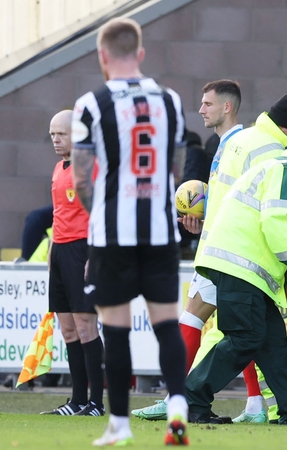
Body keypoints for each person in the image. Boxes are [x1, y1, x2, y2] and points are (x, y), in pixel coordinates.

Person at [70, 18, 189, 446]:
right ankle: (177, 405)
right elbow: (175, 168)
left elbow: (82, 180)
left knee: (115, 330)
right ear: (139, 54)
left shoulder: (91, 103)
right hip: (159, 231)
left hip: (113, 233)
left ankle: (119, 425)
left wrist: (99, 213)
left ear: (102, 56)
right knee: (167, 325)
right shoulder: (171, 101)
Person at [184, 145, 287, 426]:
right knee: (245, 339)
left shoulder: (283, 172)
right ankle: (190, 399)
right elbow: (275, 221)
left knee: (274, 345)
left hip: (247, 270)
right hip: (241, 267)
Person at [130, 79, 251, 422]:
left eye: (208, 104)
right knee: (249, 329)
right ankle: (256, 404)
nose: (201, 110)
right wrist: (201, 222)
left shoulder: (237, 145)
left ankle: (175, 397)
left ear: (227, 107)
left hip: (227, 251)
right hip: (218, 244)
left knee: (197, 318)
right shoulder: (224, 144)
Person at [39, 110, 105, 417]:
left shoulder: (89, 166)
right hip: (61, 251)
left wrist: (94, 255)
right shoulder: (57, 168)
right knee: (67, 330)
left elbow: (99, 212)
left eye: (60, 134)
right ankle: (77, 401)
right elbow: (58, 214)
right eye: (52, 134)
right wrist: (52, 249)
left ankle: (96, 403)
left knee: (85, 326)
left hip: (83, 250)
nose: (55, 139)